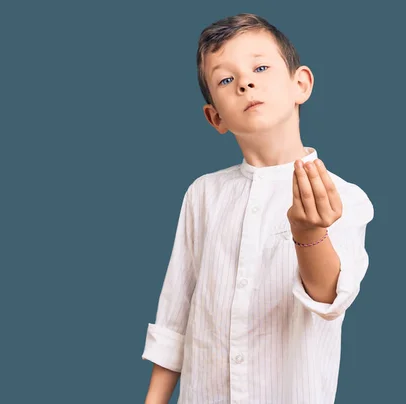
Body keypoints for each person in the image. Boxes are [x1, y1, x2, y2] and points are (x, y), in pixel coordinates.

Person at [142, 13, 375, 404]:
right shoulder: (203, 194)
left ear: (300, 83)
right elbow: (174, 317)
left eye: (261, 67)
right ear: (214, 116)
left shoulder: (345, 197)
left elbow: (329, 300)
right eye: (225, 79)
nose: (245, 82)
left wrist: (308, 234)